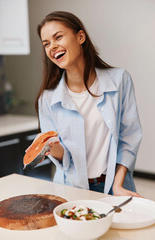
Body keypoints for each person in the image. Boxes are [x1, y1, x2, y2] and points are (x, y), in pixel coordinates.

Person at [35, 11, 142, 196]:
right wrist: (51, 148)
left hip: (116, 186)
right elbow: (64, 158)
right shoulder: (47, 99)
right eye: (46, 44)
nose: (52, 46)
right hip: (69, 191)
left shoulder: (119, 80)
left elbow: (129, 138)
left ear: (80, 37)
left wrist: (117, 185)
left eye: (58, 37)